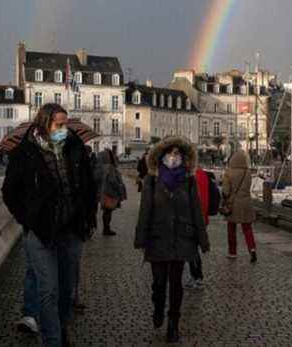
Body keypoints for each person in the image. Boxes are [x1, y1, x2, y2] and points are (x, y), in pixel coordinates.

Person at [2, 103, 97, 347]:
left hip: (72, 229)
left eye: (65, 123)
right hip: (40, 232)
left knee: (66, 290)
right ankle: (52, 341)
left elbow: (89, 185)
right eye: (59, 124)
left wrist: (88, 216)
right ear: (45, 124)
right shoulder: (25, 153)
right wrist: (28, 219)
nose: (64, 128)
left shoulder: (75, 148)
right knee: (48, 290)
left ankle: (61, 328)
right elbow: (10, 192)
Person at [134, 136, 210, 343]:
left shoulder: (188, 180)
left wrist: (203, 240)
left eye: (178, 154)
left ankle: (173, 323)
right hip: (158, 237)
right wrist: (141, 238)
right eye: (170, 153)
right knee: (159, 283)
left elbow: (196, 209)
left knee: (176, 283)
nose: (173, 157)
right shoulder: (152, 179)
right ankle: (158, 306)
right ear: (162, 156)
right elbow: (145, 210)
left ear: (183, 157)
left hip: (181, 237)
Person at [222, 148, 256, 262]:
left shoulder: (229, 172)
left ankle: (232, 252)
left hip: (233, 204)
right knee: (247, 228)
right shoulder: (248, 173)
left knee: (231, 229)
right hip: (246, 203)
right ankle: (252, 249)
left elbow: (226, 191)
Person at [96, 149, 127, 236]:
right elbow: (113, 181)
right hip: (110, 193)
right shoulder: (109, 167)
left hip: (104, 192)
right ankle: (106, 229)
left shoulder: (101, 167)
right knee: (108, 211)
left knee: (106, 211)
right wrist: (120, 187)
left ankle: (106, 228)